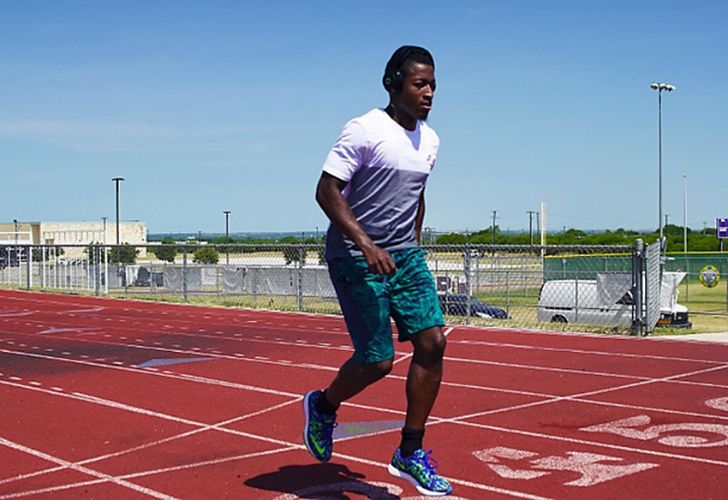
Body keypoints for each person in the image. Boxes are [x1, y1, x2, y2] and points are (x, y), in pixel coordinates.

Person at [303, 45, 452, 497]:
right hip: (354, 256)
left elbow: (417, 194)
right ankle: (324, 406)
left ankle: (410, 450)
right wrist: (365, 244)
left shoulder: (431, 140)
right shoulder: (365, 129)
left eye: (432, 85)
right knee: (377, 360)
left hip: (403, 254)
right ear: (393, 84)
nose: (428, 93)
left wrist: (414, 244)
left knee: (433, 342)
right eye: (419, 84)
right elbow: (326, 191)